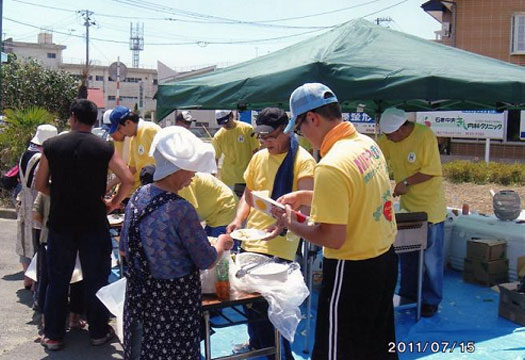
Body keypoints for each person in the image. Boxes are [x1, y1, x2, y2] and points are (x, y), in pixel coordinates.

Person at [275, 83, 398, 359]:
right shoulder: (366, 144)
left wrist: (290, 222)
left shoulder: (331, 165)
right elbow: (356, 193)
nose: (303, 136)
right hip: (385, 259)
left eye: (299, 128)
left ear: (313, 119)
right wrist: (306, 195)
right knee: (378, 344)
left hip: (352, 269)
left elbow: (332, 237)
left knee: (336, 350)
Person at [119, 126, 233, 360]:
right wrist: (221, 242)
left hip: (138, 298)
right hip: (173, 305)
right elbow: (207, 259)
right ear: (176, 169)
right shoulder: (180, 209)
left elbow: (123, 248)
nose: (193, 176)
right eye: (190, 170)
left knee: (142, 351)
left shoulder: (137, 197)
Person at [35, 99, 134, 350]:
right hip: (93, 222)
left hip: (61, 222)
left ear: (72, 117)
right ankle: (98, 332)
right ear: (94, 120)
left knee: (58, 279)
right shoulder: (104, 147)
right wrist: (113, 202)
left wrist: (57, 195)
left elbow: (39, 184)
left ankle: (54, 335)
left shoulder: (51, 145)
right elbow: (128, 179)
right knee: (96, 278)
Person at [226, 107, 316, 359]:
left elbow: (307, 208)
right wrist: (238, 219)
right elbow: (249, 194)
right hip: (252, 238)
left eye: (270, 137)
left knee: (273, 309)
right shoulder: (258, 158)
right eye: (261, 137)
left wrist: (284, 224)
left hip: (281, 243)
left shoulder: (303, 161)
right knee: (252, 305)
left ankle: (279, 354)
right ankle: (258, 346)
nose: (266, 142)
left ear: (286, 130)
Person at [377, 107, 446, 318]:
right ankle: (408, 294)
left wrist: (405, 182)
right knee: (407, 255)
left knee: (431, 260)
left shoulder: (425, 137)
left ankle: (430, 301)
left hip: (430, 209)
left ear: (402, 128)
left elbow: (430, 171)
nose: (389, 140)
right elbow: (376, 159)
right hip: (407, 208)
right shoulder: (388, 141)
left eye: (391, 136)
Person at [17, 124, 57, 290]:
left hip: (24, 200)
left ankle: (28, 278)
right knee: (38, 243)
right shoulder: (41, 158)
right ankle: (35, 283)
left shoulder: (26, 154)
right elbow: (40, 184)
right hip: (37, 202)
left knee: (25, 240)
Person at [108, 106, 160, 192]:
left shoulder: (150, 130)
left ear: (128, 122)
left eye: (120, 128)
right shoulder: (133, 139)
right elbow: (131, 169)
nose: (121, 132)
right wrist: (109, 186)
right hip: (148, 189)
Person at [212, 110, 260, 197]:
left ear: (231, 116)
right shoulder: (218, 136)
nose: (224, 125)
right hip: (227, 178)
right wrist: (212, 177)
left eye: (226, 122)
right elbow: (215, 157)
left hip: (245, 177)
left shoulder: (247, 129)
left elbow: (256, 152)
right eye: (221, 123)